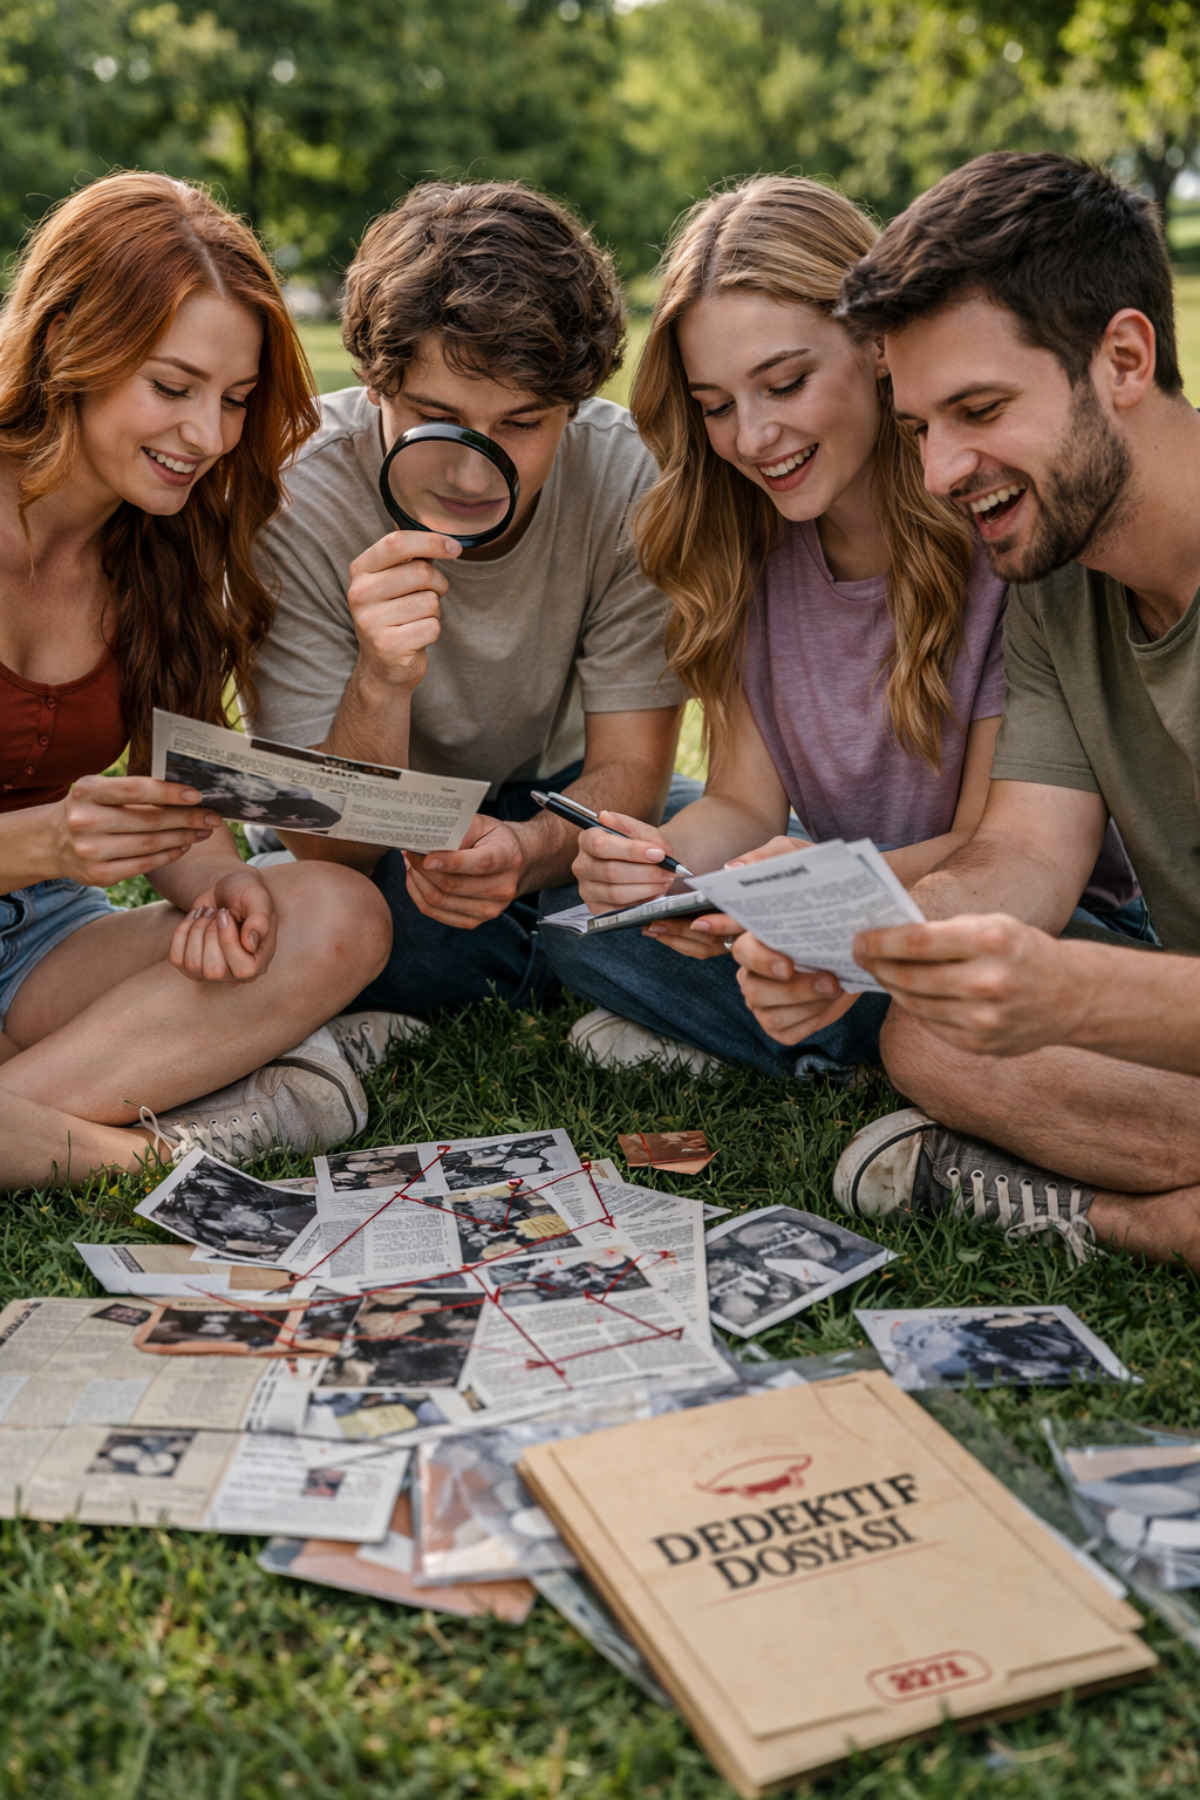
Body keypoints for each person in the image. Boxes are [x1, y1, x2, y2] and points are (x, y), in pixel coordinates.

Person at [542, 176, 1139, 1081]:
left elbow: (998, 849)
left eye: (785, 383)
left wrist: (806, 903)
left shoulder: (998, 535)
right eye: (714, 404)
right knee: (588, 935)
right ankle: (833, 1032)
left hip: (1029, 914)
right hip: (845, 899)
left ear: (877, 350)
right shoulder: (741, 548)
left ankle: (825, 1038)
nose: (752, 436)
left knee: (945, 996)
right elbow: (743, 804)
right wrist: (658, 871)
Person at [745, 151, 1200, 1273]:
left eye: (981, 409)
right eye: (917, 430)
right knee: (929, 1037)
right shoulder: (1052, 578)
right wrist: (860, 943)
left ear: (1124, 359)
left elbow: (1075, 964)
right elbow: (1023, 857)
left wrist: (1081, 990)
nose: (944, 470)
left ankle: (1131, 1221)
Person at [0, 173, 393, 1193]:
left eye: (233, 400)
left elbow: (180, 800)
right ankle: (126, 1155)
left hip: (31, 944)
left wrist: (224, 893)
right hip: (34, 891)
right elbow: (65, 837)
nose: (208, 438)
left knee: (333, 913)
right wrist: (44, 840)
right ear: (67, 348)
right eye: (172, 388)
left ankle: (25, 1120)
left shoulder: (162, 550)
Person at [244, 179, 688, 1050]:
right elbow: (327, 848)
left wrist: (524, 855)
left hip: (559, 800)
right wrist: (381, 677)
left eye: (522, 424)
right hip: (367, 837)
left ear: (575, 405)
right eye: (436, 419)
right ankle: (568, 960)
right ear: (377, 387)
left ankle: (521, 949)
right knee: (344, 915)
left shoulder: (630, 478)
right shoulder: (296, 495)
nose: (475, 476)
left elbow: (631, 772)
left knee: (712, 861)